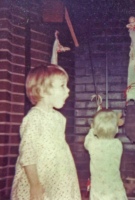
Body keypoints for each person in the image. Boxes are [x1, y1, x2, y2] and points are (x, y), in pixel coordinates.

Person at [11, 64, 81, 200]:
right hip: (39, 179)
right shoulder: (34, 118)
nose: (68, 91)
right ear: (42, 91)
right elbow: (28, 154)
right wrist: (35, 184)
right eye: (62, 86)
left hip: (58, 177)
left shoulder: (59, 118)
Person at [84, 109, 128, 200]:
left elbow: (87, 141)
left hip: (98, 189)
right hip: (114, 188)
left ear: (95, 130)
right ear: (116, 130)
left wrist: (92, 129)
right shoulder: (118, 144)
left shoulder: (92, 144)